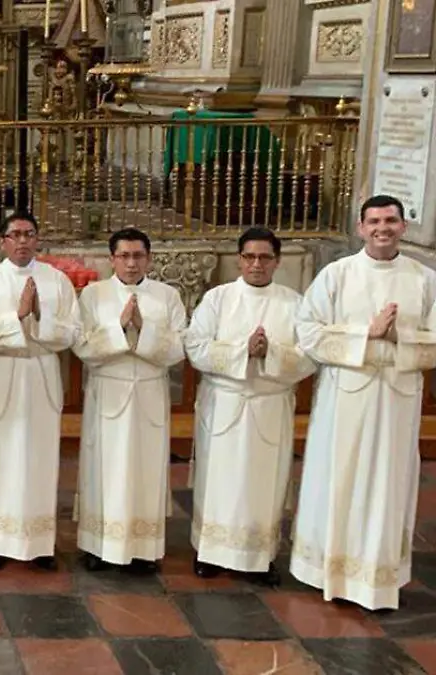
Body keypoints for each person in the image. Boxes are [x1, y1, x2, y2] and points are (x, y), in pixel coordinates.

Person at [292, 194, 436, 610]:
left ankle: (376, 577)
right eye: (374, 221)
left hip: (396, 401)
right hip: (346, 399)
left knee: (388, 485)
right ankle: (328, 572)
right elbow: (309, 334)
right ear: (360, 227)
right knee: (339, 478)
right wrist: (365, 334)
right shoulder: (337, 275)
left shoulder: (424, 279)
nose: (382, 228)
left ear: (403, 227)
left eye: (390, 220)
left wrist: (400, 337)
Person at [184, 228, 315, 586]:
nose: (256, 264)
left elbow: (309, 356)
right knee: (219, 479)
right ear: (239, 258)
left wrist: (270, 352)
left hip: (269, 405)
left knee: (264, 481)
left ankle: (259, 556)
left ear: (277, 261)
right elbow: (194, 347)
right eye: (249, 257)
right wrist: (245, 350)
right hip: (225, 404)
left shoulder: (295, 304)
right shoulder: (218, 299)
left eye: (265, 257)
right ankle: (209, 552)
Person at [0, 214, 81, 570]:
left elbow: (73, 333)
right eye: (14, 235)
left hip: (41, 374)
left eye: (29, 234)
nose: (22, 241)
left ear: (38, 238)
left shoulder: (57, 281)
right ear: (2, 241)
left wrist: (41, 319)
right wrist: (16, 317)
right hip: (3, 375)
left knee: (39, 459)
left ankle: (39, 542)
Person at [72, 228, 187, 574]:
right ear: (112, 259)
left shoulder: (167, 296)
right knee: (103, 469)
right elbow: (82, 345)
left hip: (149, 393)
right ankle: (97, 545)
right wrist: (120, 328)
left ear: (149, 258)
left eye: (138, 255)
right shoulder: (93, 296)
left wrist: (145, 330)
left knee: (144, 469)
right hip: (108, 393)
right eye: (124, 256)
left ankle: (142, 549)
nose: (131, 263)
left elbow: (182, 347)